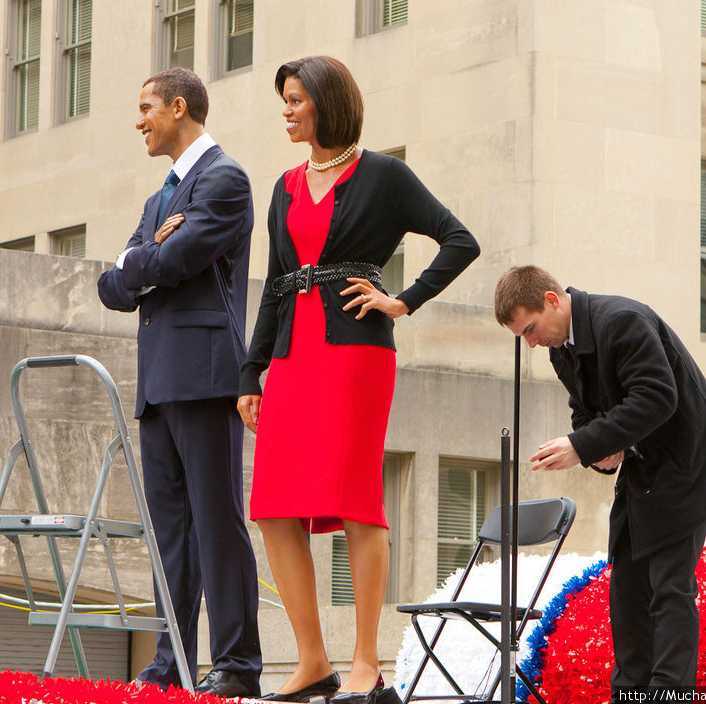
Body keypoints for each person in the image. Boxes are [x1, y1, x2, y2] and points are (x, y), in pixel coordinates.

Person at [237, 56, 480, 704]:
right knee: (273, 507)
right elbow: (274, 287)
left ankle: (368, 663)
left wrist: (402, 299)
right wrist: (250, 371)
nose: (286, 111)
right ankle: (313, 660)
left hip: (355, 358)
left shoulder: (385, 176)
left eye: (295, 100)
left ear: (326, 102)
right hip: (290, 358)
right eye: (284, 101)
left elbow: (459, 240)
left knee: (354, 498)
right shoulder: (285, 187)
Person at [493, 265, 706, 699]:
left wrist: (583, 444)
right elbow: (585, 413)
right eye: (523, 335)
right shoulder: (563, 350)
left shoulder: (623, 321)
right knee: (628, 591)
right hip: (645, 471)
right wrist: (600, 452)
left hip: (689, 466)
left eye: (532, 328)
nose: (532, 342)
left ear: (552, 301)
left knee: (670, 588)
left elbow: (657, 396)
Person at [97, 67, 261, 697]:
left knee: (217, 522)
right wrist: (144, 258)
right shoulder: (158, 198)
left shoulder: (224, 180)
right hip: (158, 384)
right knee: (170, 530)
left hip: (207, 375)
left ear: (179, 106)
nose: (138, 121)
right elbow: (114, 286)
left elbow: (172, 260)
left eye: (146, 108)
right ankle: (173, 663)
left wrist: (140, 260)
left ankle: (238, 664)